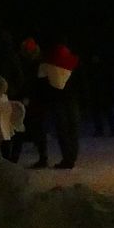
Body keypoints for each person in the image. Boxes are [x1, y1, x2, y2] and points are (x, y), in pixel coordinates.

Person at [35, 40, 80, 169]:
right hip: (72, 100)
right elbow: (81, 83)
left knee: (63, 130)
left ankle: (67, 158)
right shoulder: (74, 63)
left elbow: (42, 84)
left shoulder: (47, 64)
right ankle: (72, 156)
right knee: (73, 129)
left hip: (58, 101)